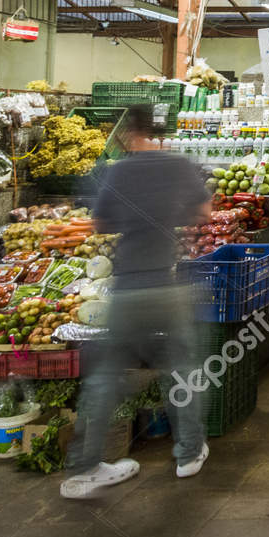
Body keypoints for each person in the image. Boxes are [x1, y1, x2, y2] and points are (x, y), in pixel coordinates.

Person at [61, 103, 212, 499]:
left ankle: (84, 468)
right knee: (181, 368)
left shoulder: (118, 170)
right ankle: (188, 454)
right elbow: (204, 212)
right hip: (166, 283)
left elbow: (100, 223)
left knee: (106, 376)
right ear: (161, 130)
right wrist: (170, 215)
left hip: (127, 286)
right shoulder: (179, 165)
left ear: (128, 134)